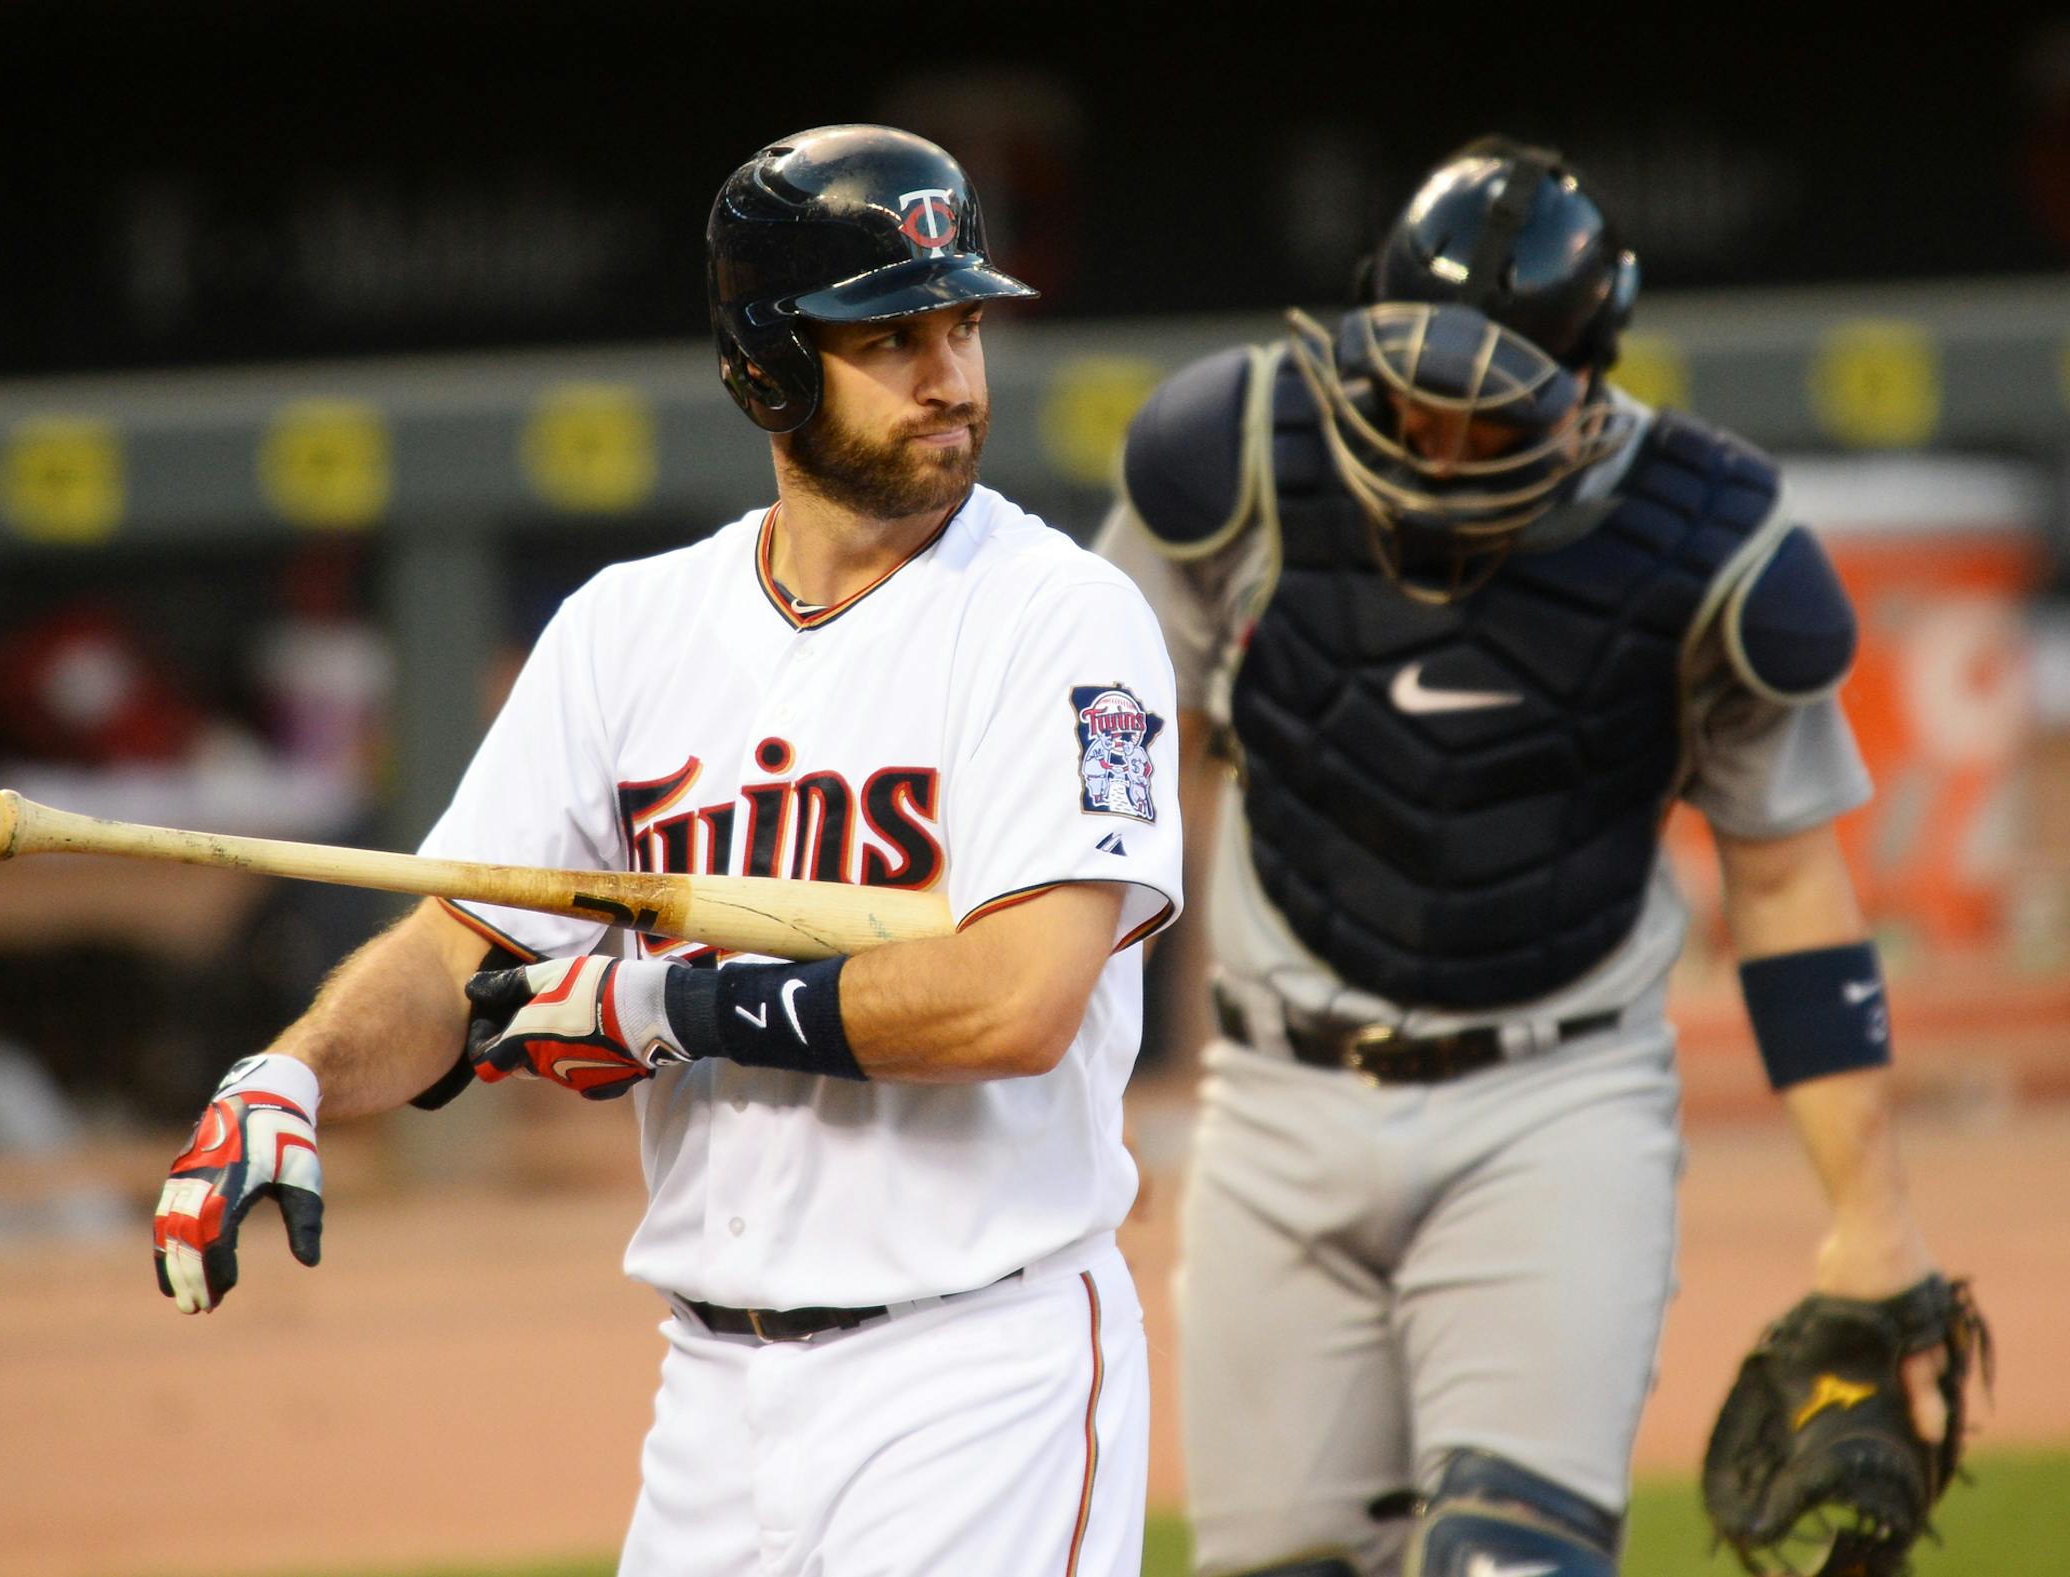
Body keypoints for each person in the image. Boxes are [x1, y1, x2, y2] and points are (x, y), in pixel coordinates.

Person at [150, 124, 1181, 1577]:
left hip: (979, 1377)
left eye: (961, 324)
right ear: (767, 362)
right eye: (894, 336)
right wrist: (300, 1067)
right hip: (711, 1400)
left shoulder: (1057, 618)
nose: (953, 377)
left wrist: (661, 1005)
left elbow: (1018, 999)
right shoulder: (628, 631)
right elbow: (461, 948)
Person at [1097, 135, 1960, 1576]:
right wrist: (1073, 1063)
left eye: (1484, 414)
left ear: (1590, 375)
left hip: (1553, 1106)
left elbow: (1794, 885)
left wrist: (1874, 1219)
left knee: (1518, 1560)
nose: (1435, 439)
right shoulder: (1241, 456)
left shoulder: (1707, 546)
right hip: (1273, 1105)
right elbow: (1114, 767)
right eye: (1410, 396)